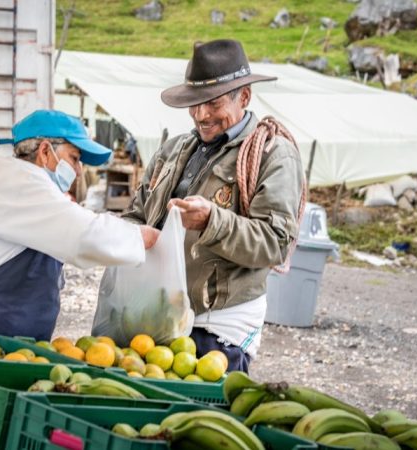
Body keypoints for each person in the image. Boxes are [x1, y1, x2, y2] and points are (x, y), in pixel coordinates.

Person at [121, 39, 305, 372]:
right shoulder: (173, 150)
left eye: (213, 103)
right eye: (195, 103)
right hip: (156, 312)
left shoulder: (273, 155)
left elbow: (275, 243)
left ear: (244, 97)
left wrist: (211, 222)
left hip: (218, 326)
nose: (201, 114)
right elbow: (138, 212)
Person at [0, 110, 160, 340]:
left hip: (4, 343)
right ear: (45, 151)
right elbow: (83, 236)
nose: (79, 171)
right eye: (74, 158)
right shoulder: (17, 184)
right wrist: (142, 236)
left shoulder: (13, 181)